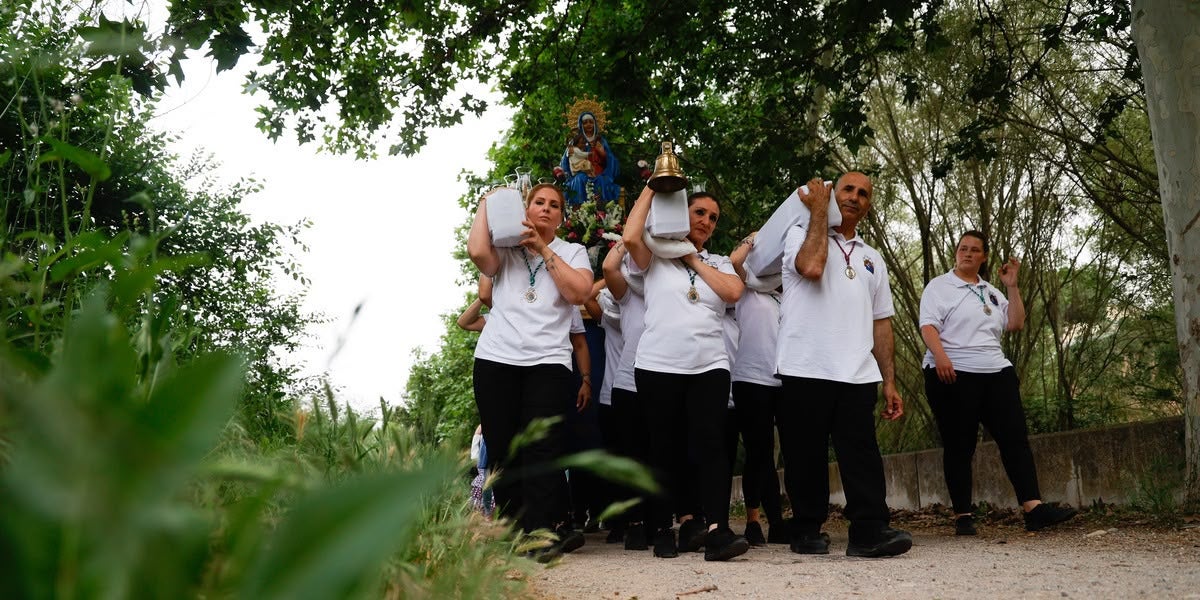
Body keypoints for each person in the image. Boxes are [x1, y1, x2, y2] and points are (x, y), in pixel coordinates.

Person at [776, 172, 912, 558]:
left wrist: (889, 381)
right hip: (806, 364)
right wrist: (819, 211)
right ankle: (805, 530)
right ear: (832, 194)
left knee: (862, 453)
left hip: (856, 370)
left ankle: (869, 532)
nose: (855, 197)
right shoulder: (800, 233)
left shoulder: (873, 257)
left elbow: (882, 321)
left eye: (863, 193)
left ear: (868, 206)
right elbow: (812, 267)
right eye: (847, 189)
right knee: (806, 454)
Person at [467, 182, 594, 562]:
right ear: (526, 208)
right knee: (504, 448)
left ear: (561, 216)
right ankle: (513, 532)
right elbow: (477, 251)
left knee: (541, 449)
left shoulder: (573, 251)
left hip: (548, 362)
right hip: (496, 361)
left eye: (554, 205)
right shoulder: (504, 247)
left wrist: (541, 247)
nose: (546, 209)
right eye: (539, 202)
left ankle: (540, 534)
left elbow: (579, 293)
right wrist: (486, 203)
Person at [920, 231, 1078, 535]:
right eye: (963, 248)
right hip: (953, 372)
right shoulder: (939, 287)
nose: (967, 253)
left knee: (1014, 438)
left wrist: (1013, 286)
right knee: (959, 444)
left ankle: (1034, 510)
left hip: (996, 371)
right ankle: (963, 516)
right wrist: (940, 357)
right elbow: (927, 325)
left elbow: (1015, 323)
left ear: (984, 257)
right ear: (956, 252)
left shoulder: (991, 291)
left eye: (974, 250)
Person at [622, 185, 750, 562]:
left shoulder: (719, 262)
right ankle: (662, 528)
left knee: (711, 446)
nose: (707, 221)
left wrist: (694, 260)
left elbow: (733, 292)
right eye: (699, 213)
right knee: (663, 448)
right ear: (681, 212)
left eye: (713, 217)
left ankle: (718, 532)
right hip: (658, 365)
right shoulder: (654, 256)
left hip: (709, 364)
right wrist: (654, 187)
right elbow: (630, 235)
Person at [728, 232, 787, 546]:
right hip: (751, 379)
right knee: (759, 452)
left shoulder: (787, 292)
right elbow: (735, 261)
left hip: (785, 380)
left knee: (783, 454)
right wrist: (756, 239)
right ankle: (753, 520)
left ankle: (779, 523)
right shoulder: (746, 285)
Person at [561, 111, 620, 206]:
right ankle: (578, 211)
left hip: (598, 173)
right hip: (580, 173)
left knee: (602, 181)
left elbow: (611, 161)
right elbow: (565, 163)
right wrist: (569, 154)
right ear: (581, 125)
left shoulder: (601, 141)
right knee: (579, 179)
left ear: (595, 124)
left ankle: (603, 211)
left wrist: (603, 153)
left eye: (591, 122)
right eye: (585, 122)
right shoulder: (575, 141)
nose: (588, 124)